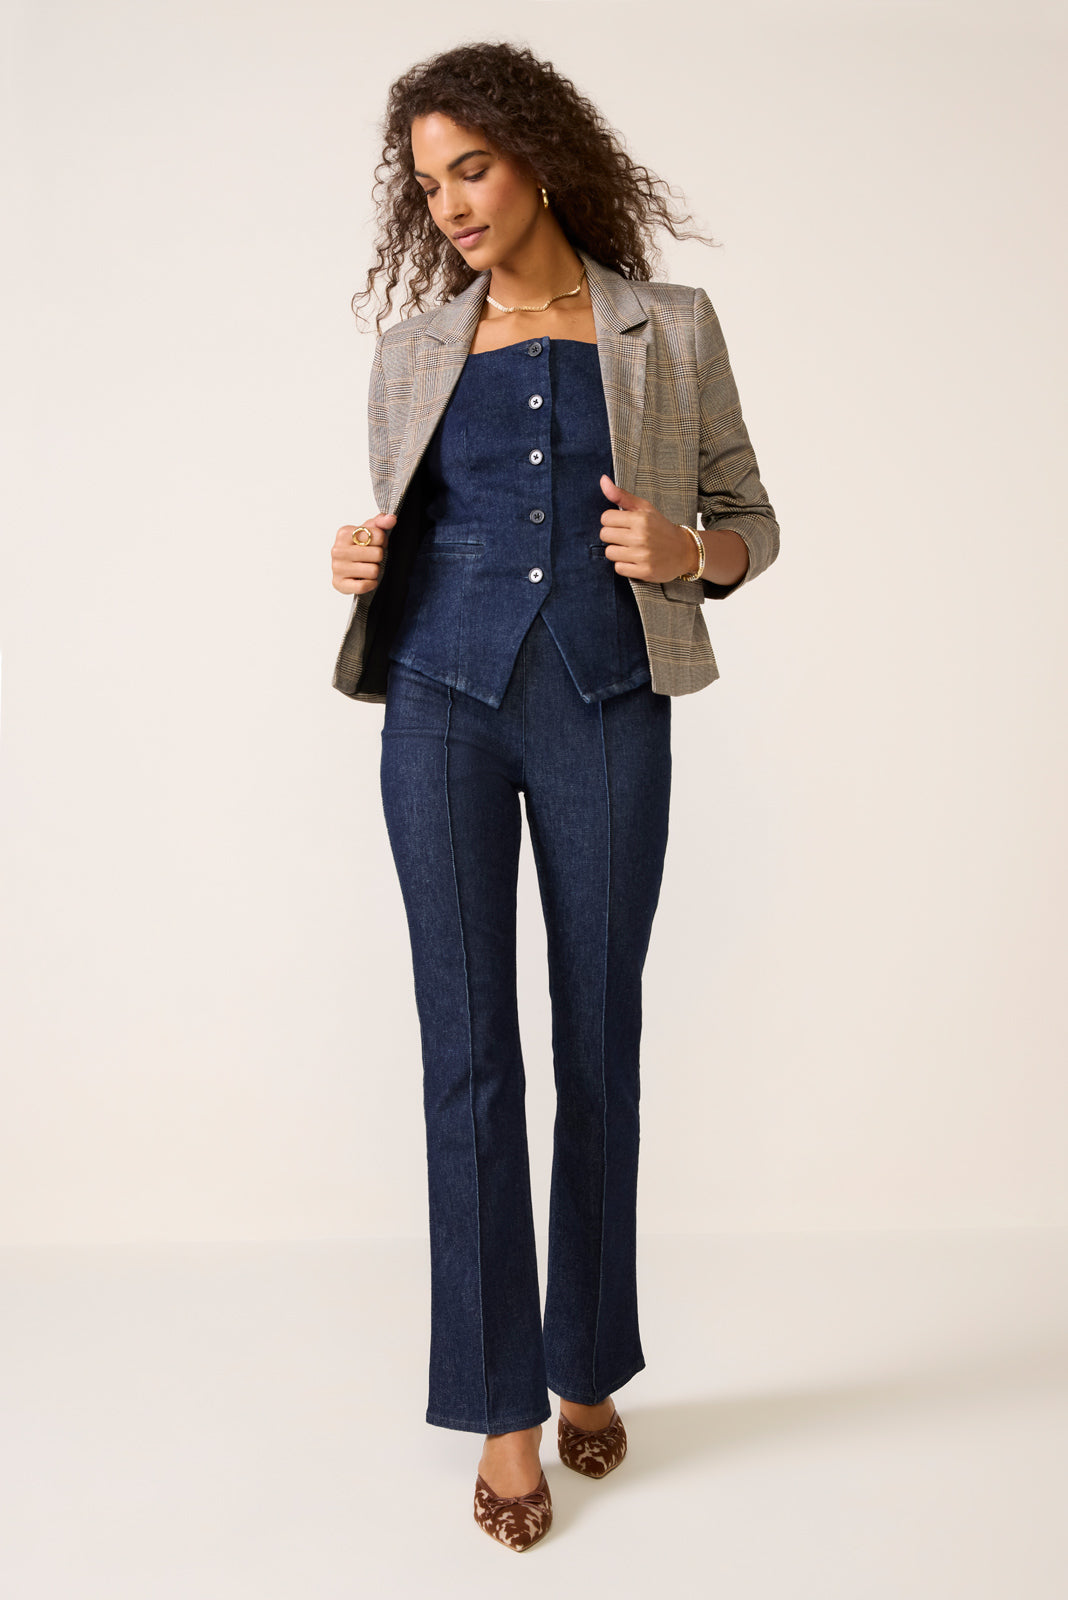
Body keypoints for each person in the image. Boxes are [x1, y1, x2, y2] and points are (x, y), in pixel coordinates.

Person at [329, 41, 779, 1552]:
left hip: (604, 701)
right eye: (427, 185)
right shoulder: (413, 348)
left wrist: (691, 551)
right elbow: (412, 517)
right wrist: (362, 558)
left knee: (599, 1040)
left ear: (538, 157)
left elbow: (752, 516)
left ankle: (589, 1358)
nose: (451, 203)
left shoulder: (669, 326)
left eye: (470, 167)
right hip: (441, 707)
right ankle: (502, 1410)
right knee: (466, 1057)